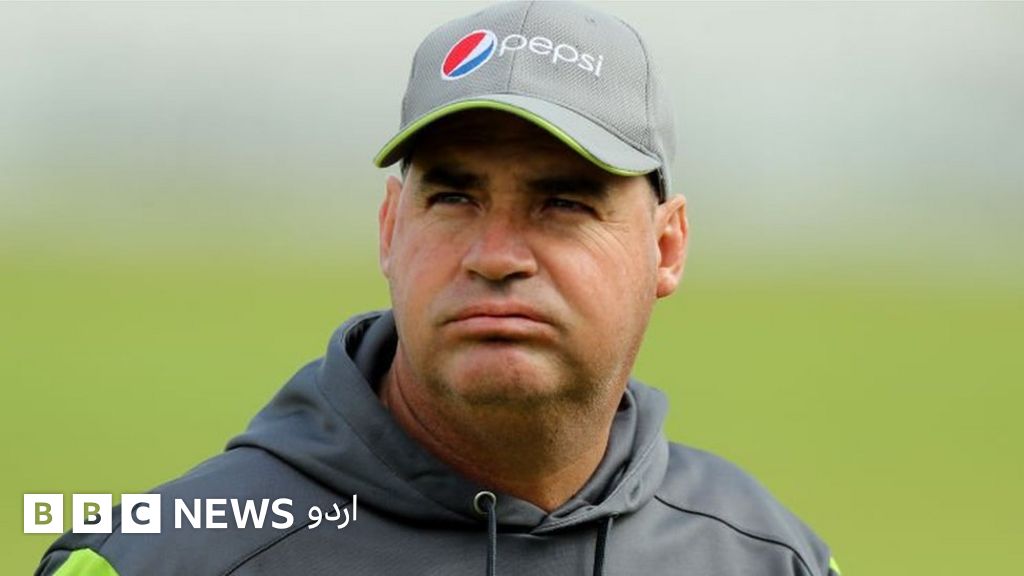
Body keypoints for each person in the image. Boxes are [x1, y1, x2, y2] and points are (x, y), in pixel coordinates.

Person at [37, 2, 839, 575]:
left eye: (563, 203)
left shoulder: (767, 557)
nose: (496, 256)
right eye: (454, 198)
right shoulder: (166, 557)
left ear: (666, 248)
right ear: (390, 229)